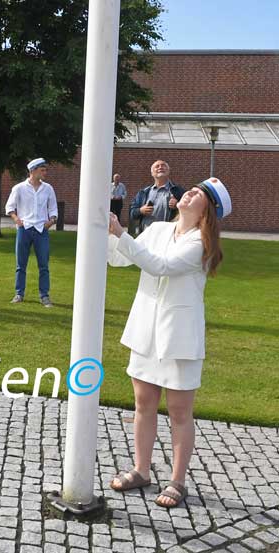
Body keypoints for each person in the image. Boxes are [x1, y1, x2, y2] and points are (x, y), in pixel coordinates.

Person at [107, 178, 232, 509]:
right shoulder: (160, 229)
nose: (189, 193)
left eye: (198, 195)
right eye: (191, 189)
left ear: (208, 212)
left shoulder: (199, 244)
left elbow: (160, 266)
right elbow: (121, 259)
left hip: (179, 337)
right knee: (143, 403)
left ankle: (177, 481)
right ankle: (141, 470)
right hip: (146, 332)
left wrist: (121, 234)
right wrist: (106, 233)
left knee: (179, 412)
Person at [5, 157, 58, 307]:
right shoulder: (19, 188)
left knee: (44, 265)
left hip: (42, 230)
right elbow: (9, 206)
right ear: (32, 171)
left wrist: (51, 220)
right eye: (42, 170)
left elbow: (53, 208)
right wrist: (16, 219)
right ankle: (19, 294)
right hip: (25, 229)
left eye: (45, 170)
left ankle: (44, 296)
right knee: (20, 264)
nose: (45, 172)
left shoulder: (48, 188)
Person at [129, 160, 185, 234]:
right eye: (157, 166)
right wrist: (141, 210)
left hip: (168, 235)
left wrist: (178, 205)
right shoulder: (143, 192)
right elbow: (132, 213)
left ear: (168, 171)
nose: (160, 167)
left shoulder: (178, 191)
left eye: (163, 165)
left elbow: (190, 212)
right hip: (146, 234)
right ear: (152, 173)